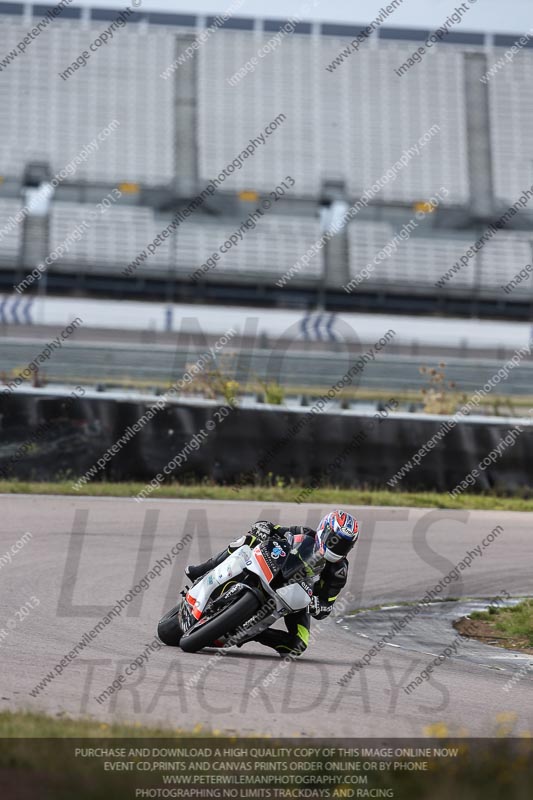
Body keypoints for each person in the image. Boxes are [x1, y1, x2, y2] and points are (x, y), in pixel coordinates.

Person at [184, 510, 359, 657]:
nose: (338, 548)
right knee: (248, 540)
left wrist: (317, 606)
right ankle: (202, 570)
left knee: (299, 644)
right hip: (274, 568)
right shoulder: (305, 534)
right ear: (324, 530)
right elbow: (276, 529)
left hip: (297, 598)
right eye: (336, 540)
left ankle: (250, 632)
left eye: (345, 545)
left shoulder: (339, 572)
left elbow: (326, 607)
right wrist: (263, 527)